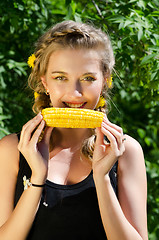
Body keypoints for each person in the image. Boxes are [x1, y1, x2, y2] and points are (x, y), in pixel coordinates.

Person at [0, 20, 148, 240]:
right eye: (60, 78)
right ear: (45, 83)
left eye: (87, 78)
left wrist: (102, 177)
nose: (75, 93)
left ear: (105, 81)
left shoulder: (126, 152)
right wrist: (37, 177)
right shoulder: (12, 150)